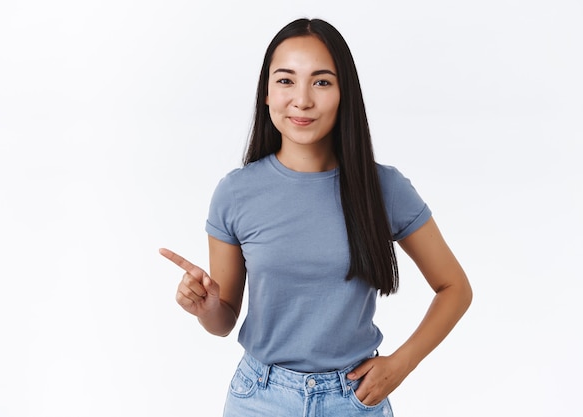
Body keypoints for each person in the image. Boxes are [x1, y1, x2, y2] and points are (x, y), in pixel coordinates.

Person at [160, 17, 472, 417]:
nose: (302, 100)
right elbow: (224, 322)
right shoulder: (235, 193)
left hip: (356, 398)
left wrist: (400, 365)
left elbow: (455, 288)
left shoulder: (384, 188)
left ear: (344, 94)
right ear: (267, 94)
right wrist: (206, 308)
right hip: (259, 399)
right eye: (286, 81)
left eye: (321, 82)